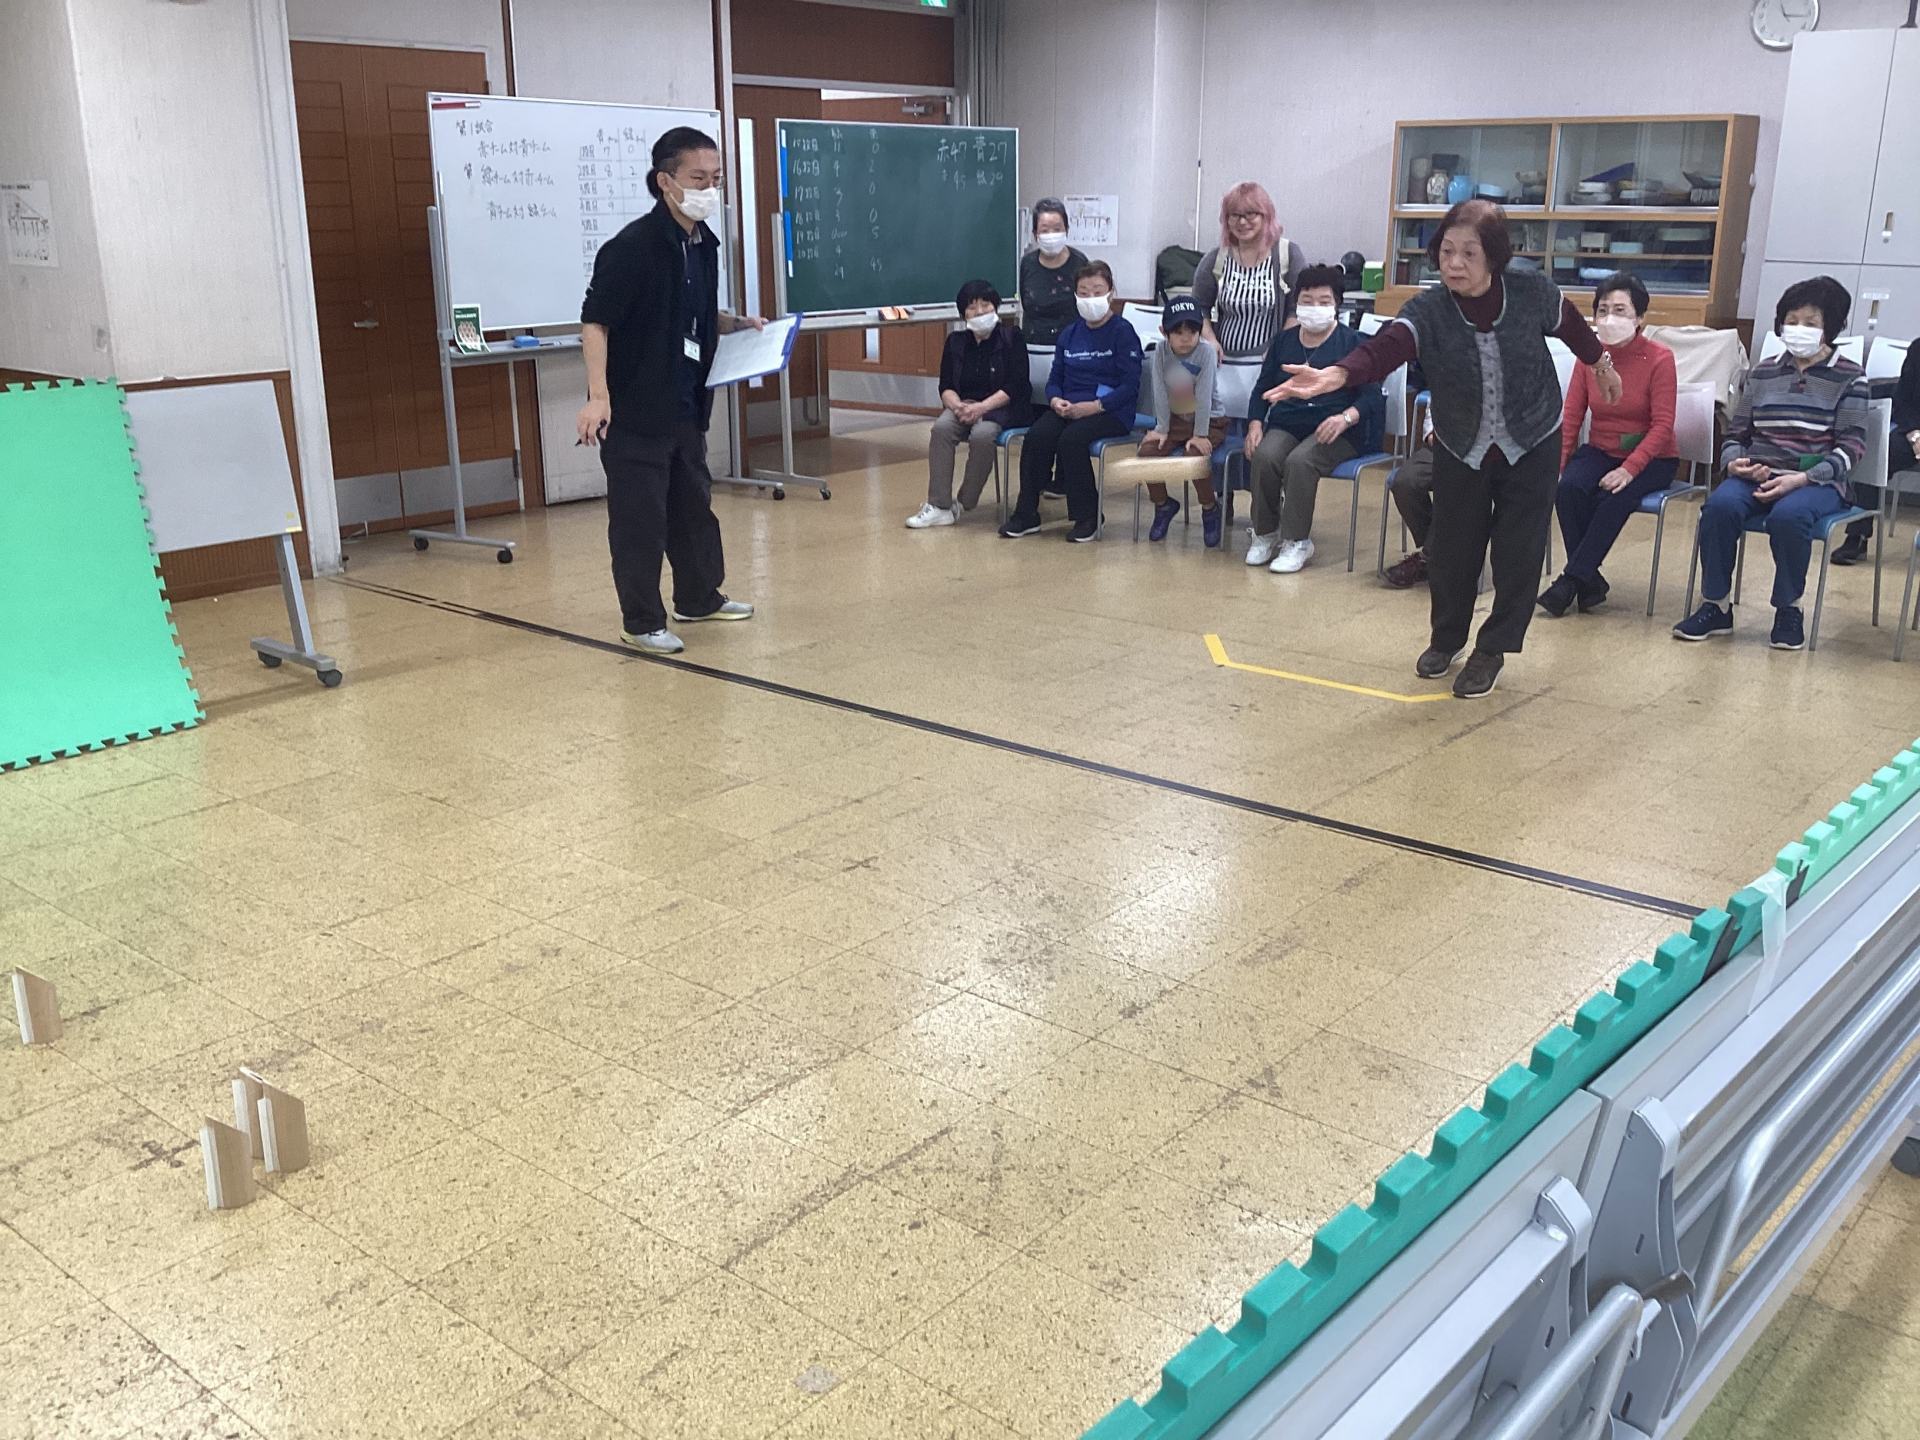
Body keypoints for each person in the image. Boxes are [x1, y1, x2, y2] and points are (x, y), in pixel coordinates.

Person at [1268, 200, 1620, 697]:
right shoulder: (1429, 310)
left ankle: (1492, 649)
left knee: (1518, 551)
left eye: (1469, 253)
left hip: (1532, 437)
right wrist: (1339, 374)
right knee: (1453, 549)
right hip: (1461, 441)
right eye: (1447, 251)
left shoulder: (1530, 291)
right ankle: (1447, 637)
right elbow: (1387, 347)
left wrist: (1602, 364)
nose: (1454, 264)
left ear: (1494, 256)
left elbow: (1572, 327)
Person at [576, 126, 762, 655]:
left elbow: (689, 310)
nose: (710, 189)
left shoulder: (703, 244)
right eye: (698, 178)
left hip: (686, 403)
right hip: (636, 408)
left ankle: (699, 597)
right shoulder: (632, 247)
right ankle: (641, 621)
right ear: (665, 181)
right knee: (640, 520)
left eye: (717, 179)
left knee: (693, 507)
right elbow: (595, 322)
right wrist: (598, 397)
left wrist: (736, 323)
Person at [1673, 275, 1871, 651]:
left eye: (1810, 322)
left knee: (1789, 517)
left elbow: (1852, 447)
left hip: (1817, 482)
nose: (1798, 329)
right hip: (1758, 472)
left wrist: (1803, 478)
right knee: (1718, 507)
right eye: (1791, 320)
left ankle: (1788, 609)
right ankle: (1716, 605)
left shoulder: (1850, 377)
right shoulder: (1763, 372)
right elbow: (1737, 433)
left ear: (1831, 327)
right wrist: (1734, 464)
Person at [1537, 272, 1679, 617]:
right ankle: (1589, 581)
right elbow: (1572, 415)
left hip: (1653, 456)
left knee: (1612, 497)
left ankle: (1571, 580)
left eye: (1619, 310)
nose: (1609, 318)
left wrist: (1629, 469)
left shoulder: (1660, 359)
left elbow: (1663, 426)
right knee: (1568, 489)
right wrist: (1558, 466)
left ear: (1639, 318)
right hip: (1601, 448)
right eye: (1602, 310)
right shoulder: (1590, 357)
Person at [1243, 264, 1384, 573]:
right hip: (1288, 422)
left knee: (1300, 461)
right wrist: (1255, 424)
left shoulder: (1353, 343)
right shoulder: (1284, 341)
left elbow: (1372, 397)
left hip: (1337, 429)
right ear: (1296, 302)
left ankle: (1297, 541)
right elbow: (1262, 389)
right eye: (1307, 300)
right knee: (1265, 455)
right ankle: (1265, 533)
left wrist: (1345, 418)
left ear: (1337, 304)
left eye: (1324, 301)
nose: (1314, 307)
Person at [999, 261, 1142, 543]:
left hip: (1110, 411)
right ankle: (1027, 514)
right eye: (1084, 293)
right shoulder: (1070, 334)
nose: (1091, 298)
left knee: (1071, 440)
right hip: (1070, 407)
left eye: (1097, 291)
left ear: (1111, 293)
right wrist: (1055, 400)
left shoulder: (1122, 332)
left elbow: (1130, 386)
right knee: (1037, 436)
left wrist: (1096, 406)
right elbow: (1055, 379)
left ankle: (1088, 516)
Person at [907, 280, 1033, 528]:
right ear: (963, 313)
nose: (979, 312)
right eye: (972, 307)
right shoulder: (955, 341)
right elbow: (946, 386)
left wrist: (981, 408)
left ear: (995, 307)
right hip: (964, 405)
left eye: (985, 305)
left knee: (983, 435)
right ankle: (939, 505)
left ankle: (964, 502)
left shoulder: (1012, 337)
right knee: (941, 429)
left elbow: (1016, 385)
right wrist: (957, 407)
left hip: (1001, 407)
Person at [1138, 295, 1227, 546]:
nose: (1186, 338)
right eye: (1178, 332)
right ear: (1164, 332)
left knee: (1194, 457)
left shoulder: (1205, 352)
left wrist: (1200, 434)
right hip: (1176, 419)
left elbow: (1205, 394)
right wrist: (1161, 428)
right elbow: (1159, 390)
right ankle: (1163, 505)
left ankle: (1209, 508)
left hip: (1210, 420)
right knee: (1147, 451)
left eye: (1192, 331)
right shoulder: (1161, 351)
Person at [1191, 182, 1306, 360]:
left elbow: (1298, 309)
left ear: (1266, 215)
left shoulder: (1288, 254)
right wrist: (1210, 340)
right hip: (1225, 363)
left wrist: (1280, 348)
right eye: (1234, 215)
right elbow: (1198, 307)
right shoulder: (1215, 259)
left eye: (1251, 214)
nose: (1242, 222)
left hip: (1271, 362)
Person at [1837, 336, 1920, 563]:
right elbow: (1902, 400)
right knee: (1877, 454)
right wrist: (1914, 433)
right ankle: (1858, 536)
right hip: (1915, 430)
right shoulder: (1918, 348)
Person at [1020, 199, 1090, 349]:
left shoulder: (1080, 262)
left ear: (1067, 230)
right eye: (1045, 230)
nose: (1051, 235)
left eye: (1057, 229)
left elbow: (1087, 304)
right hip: (1033, 346)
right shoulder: (1027, 263)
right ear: (1035, 234)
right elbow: (1025, 305)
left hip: (1072, 347)